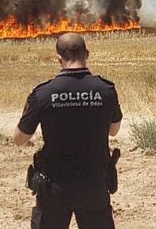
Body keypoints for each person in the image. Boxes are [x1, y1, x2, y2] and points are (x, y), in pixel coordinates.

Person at [14, 33, 122, 229]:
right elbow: (114, 130)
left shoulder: (43, 93)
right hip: (94, 183)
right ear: (87, 54)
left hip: (55, 186)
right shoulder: (106, 90)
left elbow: (19, 138)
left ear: (59, 58)